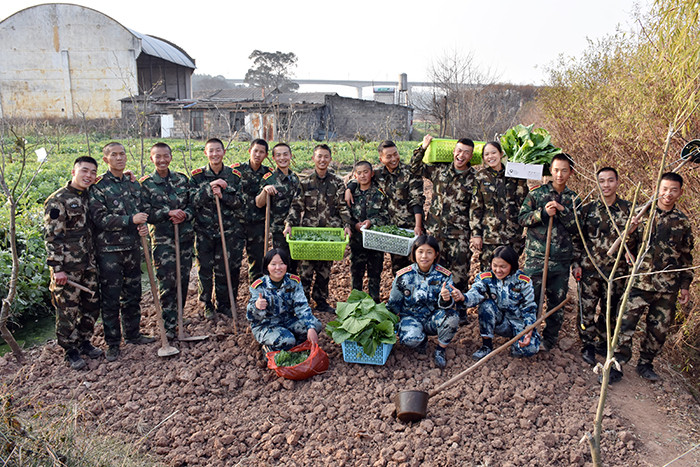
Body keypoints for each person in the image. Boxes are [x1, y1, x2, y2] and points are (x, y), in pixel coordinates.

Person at [613, 172, 694, 382]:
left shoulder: (682, 222)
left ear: (680, 193)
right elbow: (624, 249)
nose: (668, 194)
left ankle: (645, 364)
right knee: (625, 323)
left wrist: (685, 285)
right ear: (657, 189)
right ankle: (617, 363)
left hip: (667, 287)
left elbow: (686, 257)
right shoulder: (641, 215)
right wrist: (629, 231)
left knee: (658, 330)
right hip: (639, 282)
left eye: (673, 190)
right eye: (664, 189)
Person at [89, 142, 155, 362]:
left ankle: (133, 334)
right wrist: (130, 220)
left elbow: (141, 211)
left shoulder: (133, 184)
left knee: (133, 295)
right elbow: (100, 219)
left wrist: (141, 226)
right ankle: (113, 343)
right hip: (110, 252)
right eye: (114, 155)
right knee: (111, 299)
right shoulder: (99, 187)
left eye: (122, 154)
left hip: (132, 249)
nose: (119, 158)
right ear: (106, 159)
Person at [518, 153, 582, 351]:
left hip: (560, 261)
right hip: (536, 258)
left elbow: (578, 229)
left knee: (556, 303)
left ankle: (549, 340)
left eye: (564, 170)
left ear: (571, 172)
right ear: (550, 171)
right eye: (556, 170)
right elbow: (522, 218)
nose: (559, 175)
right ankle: (527, 337)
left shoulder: (574, 199)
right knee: (530, 300)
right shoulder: (537, 194)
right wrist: (543, 213)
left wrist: (563, 210)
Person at [44, 156, 103, 369]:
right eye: (84, 171)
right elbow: (53, 236)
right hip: (68, 268)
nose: (89, 175)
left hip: (89, 264)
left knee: (91, 306)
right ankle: (70, 350)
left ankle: (84, 341)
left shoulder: (90, 195)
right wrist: (57, 268)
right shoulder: (57, 200)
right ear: (73, 172)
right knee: (67, 310)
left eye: (93, 172)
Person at [411, 134, 476, 322]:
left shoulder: (474, 178)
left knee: (460, 273)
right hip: (435, 231)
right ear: (453, 151)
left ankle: (460, 310)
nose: (461, 155)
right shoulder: (440, 170)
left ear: (471, 156)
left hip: (459, 234)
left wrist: (475, 233)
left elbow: (477, 207)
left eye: (466, 153)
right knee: (434, 270)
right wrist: (423, 148)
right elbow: (415, 168)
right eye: (459, 151)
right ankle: (436, 307)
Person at [284, 144, 352, 313]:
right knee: (305, 270)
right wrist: (289, 224)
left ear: (330, 159)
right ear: (313, 158)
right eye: (319, 156)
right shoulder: (305, 183)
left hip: (330, 233)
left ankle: (320, 301)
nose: (322, 160)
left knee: (324, 270)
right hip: (309, 233)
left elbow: (342, 206)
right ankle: (303, 302)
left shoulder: (337, 182)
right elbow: (296, 206)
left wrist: (346, 225)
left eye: (326, 156)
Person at [577, 167, 635, 367]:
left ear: (617, 182)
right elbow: (578, 239)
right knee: (586, 308)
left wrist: (631, 243)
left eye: (610, 180)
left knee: (610, 309)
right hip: (590, 269)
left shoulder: (629, 210)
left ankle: (603, 342)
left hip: (616, 271)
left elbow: (637, 241)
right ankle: (587, 344)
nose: (606, 185)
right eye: (602, 181)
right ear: (597, 183)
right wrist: (576, 263)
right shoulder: (587, 209)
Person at [346, 140, 425, 275]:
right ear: (381, 159)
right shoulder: (378, 173)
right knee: (399, 269)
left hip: (412, 227)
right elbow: (359, 176)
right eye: (389, 156)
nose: (393, 159)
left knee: (418, 264)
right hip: (393, 229)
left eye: (395, 154)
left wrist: (418, 225)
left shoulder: (409, 172)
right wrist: (349, 188)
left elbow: (417, 200)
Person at [140, 142, 194, 339]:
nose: (162, 160)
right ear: (152, 159)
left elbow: (192, 205)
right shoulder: (146, 184)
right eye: (158, 156)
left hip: (185, 238)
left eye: (165, 156)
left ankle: (179, 316)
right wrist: (167, 212)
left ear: (171, 157)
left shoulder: (182, 179)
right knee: (167, 281)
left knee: (183, 279)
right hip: (163, 241)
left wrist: (185, 215)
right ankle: (169, 323)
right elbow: (145, 212)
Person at [190, 138, 244, 319]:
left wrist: (224, 194)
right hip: (204, 232)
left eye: (218, 150)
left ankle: (225, 304)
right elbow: (192, 201)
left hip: (227, 232)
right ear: (206, 153)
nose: (215, 154)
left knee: (225, 269)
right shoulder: (197, 177)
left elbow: (240, 203)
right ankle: (206, 304)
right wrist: (209, 189)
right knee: (205, 270)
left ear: (223, 152)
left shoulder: (234, 176)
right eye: (211, 151)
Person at [454, 246, 539, 361]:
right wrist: (463, 297)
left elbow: (529, 308)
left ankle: (516, 341)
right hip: (499, 322)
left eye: (503, 267)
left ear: (512, 265)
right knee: (485, 305)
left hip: (518, 322)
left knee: (529, 349)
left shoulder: (523, 282)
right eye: (495, 265)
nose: (498, 270)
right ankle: (486, 346)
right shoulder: (486, 278)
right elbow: (476, 292)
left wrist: (529, 329)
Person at [387, 235, 460, 368]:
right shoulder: (403, 276)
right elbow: (393, 305)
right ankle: (421, 340)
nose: (424, 256)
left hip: (432, 318)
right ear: (414, 253)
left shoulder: (444, 275)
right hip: (411, 317)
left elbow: (449, 305)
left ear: (436, 254)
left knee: (452, 317)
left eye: (429, 252)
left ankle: (440, 350)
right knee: (410, 340)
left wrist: (446, 299)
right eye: (420, 252)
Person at [246, 249, 323, 352]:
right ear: (267, 266)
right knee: (287, 340)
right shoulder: (259, 286)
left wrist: (310, 326)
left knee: (315, 325)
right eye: (273, 264)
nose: (278, 268)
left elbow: (302, 306)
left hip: (288, 321)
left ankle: (296, 346)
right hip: (267, 325)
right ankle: (268, 348)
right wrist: (256, 306)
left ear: (287, 265)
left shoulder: (293, 282)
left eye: (282, 263)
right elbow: (251, 317)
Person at [469, 141, 528, 271]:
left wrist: (522, 178)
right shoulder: (481, 177)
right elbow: (476, 207)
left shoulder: (514, 174)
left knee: (510, 272)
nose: (490, 157)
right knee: (487, 273)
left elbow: (522, 202)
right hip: (490, 236)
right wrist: (476, 234)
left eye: (493, 153)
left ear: (501, 154)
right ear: (483, 158)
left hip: (512, 235)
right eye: (486, 154)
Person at [347, 160, 389, 303]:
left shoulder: (379, 193)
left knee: (375, 274)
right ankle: (355, 304)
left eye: (366, 172)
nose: (363, 176)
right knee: (356, 274)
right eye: (359, 173)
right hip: (357, 242)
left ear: (372, 174)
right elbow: (345, 215)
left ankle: (374, 303)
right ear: (355, 175)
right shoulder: (351, 193)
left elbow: (385, 216)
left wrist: (371, 222)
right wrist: (354, 225)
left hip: (375, 242)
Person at [256, 142, 301, 272]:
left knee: (294, 266)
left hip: (295, 229)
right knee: (281, 264)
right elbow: (259, 203)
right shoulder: (269, 178)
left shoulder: (294, 178)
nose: (282, 158)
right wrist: (265, 190)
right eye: (278, 155)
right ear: (274, 158)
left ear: (290, 156)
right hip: (279, 231)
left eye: (285, 154)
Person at [233, 139, 273, 282]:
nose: (257, 155)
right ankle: (228, 295)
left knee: (257, 263)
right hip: (237, 223)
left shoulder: (269, 174)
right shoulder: (236, 171)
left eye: (261, 152)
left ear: (266, 155)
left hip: (258, 224)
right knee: (233, 262)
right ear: (250, 151)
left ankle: (256, 293)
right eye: (255, 151)